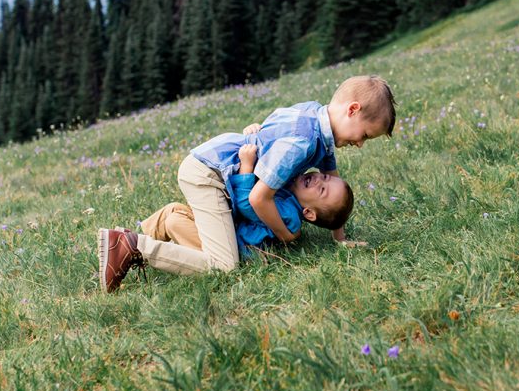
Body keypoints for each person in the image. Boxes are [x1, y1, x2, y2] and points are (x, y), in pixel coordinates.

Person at [98, 74, 395, 293]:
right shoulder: (303, 143)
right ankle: (133, 246)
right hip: (209, 175)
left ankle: (168, 221)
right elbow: (257, 199)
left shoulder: (314, 115)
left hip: (214, 164)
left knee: (222, 244)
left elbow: (335, 183)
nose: (360, 144)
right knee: (225, 265)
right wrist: (285, 234)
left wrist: (339, 237)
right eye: (365, 135)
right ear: (352, 110)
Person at [136, 143, 355, 259]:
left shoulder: (289, 215)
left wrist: (246, 166)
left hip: (235, 248)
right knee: (175, 210)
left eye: (323, 190)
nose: (318, 179)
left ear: (309, 213)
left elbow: (249, 205)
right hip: (228, 230)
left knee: (175, 221)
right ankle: (132, 241)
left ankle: (135, 245)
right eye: (324, 177)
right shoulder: (290, 196)